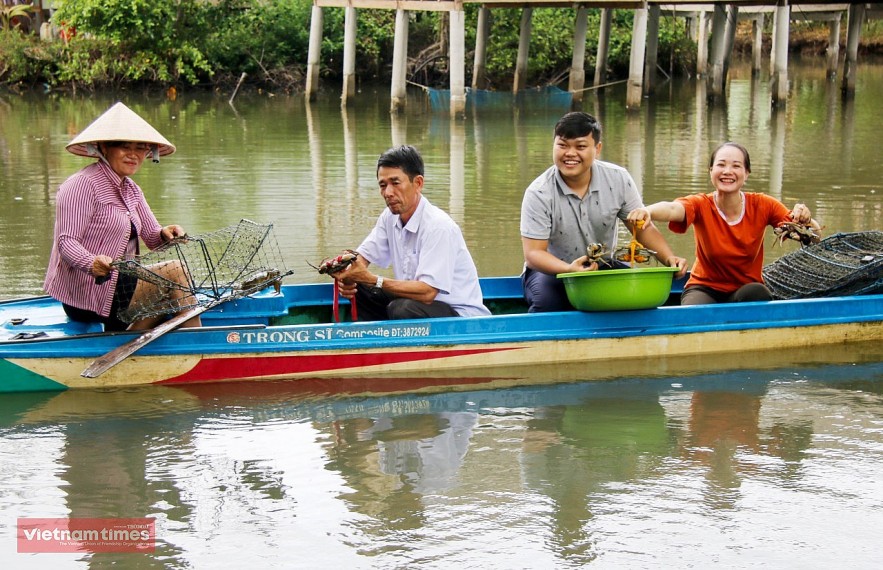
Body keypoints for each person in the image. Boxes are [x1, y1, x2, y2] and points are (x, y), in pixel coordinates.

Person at [44, 102, 201, 331]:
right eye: (124, 146)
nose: (133, 154)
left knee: (174, 293)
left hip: (123, 285)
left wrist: (168, 234)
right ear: (104, 147)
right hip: (89, 291)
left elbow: (152, 237)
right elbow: (66, 243)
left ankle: (127, 340)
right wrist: (92, 262)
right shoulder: (81, 185)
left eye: (140, 148)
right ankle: (198, 347)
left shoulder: (132, 190)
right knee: (175, 271)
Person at [520, 111, 687, 312]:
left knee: (639, 298)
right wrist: (569, 269)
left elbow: (642, 228)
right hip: (552, 271)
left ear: (597, 149)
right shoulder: (539, 192)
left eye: (580, 146)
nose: (570, 153)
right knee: (547, 304)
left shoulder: (618, 178)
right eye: (562, 145)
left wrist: (669, 259)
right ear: (553, 145)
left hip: (603, 265)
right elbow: (534, 254)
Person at [627, 141, 822, 305]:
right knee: (692, 313)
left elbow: (812, 237)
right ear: (711, 171)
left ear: (746, 173)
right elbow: (672, 209)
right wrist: (647, 211)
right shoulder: (701, 204)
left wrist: (807, 219)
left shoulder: (763, 205)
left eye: (736, 166)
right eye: (721, 165)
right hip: (704, 288)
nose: (727, 171)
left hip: (745, 289)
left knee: (758, 294)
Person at [331, 145, 490, 320]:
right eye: (383, 185)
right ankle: (376, 341)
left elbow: (428, 292)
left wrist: (373, 279)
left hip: (459, 316)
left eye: (395, 183)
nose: (388, 193)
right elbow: (363, 258)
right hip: (415, 302)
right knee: (360, 286)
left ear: (418, 183)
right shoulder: (389, 217)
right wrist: (348, 273)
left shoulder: (439, 227)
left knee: (402, 309)